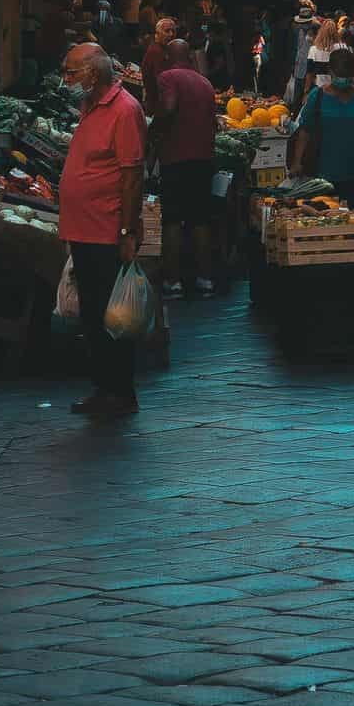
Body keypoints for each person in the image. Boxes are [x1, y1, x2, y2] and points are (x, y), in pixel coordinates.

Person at [57, 45, 147, 420]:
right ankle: (102, 387)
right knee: (93, 314)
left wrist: (126, 230)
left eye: (71, 72)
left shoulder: (125, 110)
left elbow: (132, 175)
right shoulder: (90, 105)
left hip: (106, 230)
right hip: (83, 228)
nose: (66, 79)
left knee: (112, 317)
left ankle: (120, 392)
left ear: (93, 74)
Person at [150, 37, 219, 301]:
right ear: (189, 57)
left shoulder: (167, 77)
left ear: (168, 57)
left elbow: (168, 107)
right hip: (203, 158)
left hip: (176, 157)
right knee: (200, 218)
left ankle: (173, 281)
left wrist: (153, 129)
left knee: (172, 220)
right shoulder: (205, 83)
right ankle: (205, 278)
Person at [292, 45, 354, 209]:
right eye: (339, 74)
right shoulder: (317, 97)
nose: (342, 79)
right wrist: (297, 162)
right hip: (324, 175)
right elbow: (304, 131)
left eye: (346, 74)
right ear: (330, 71)